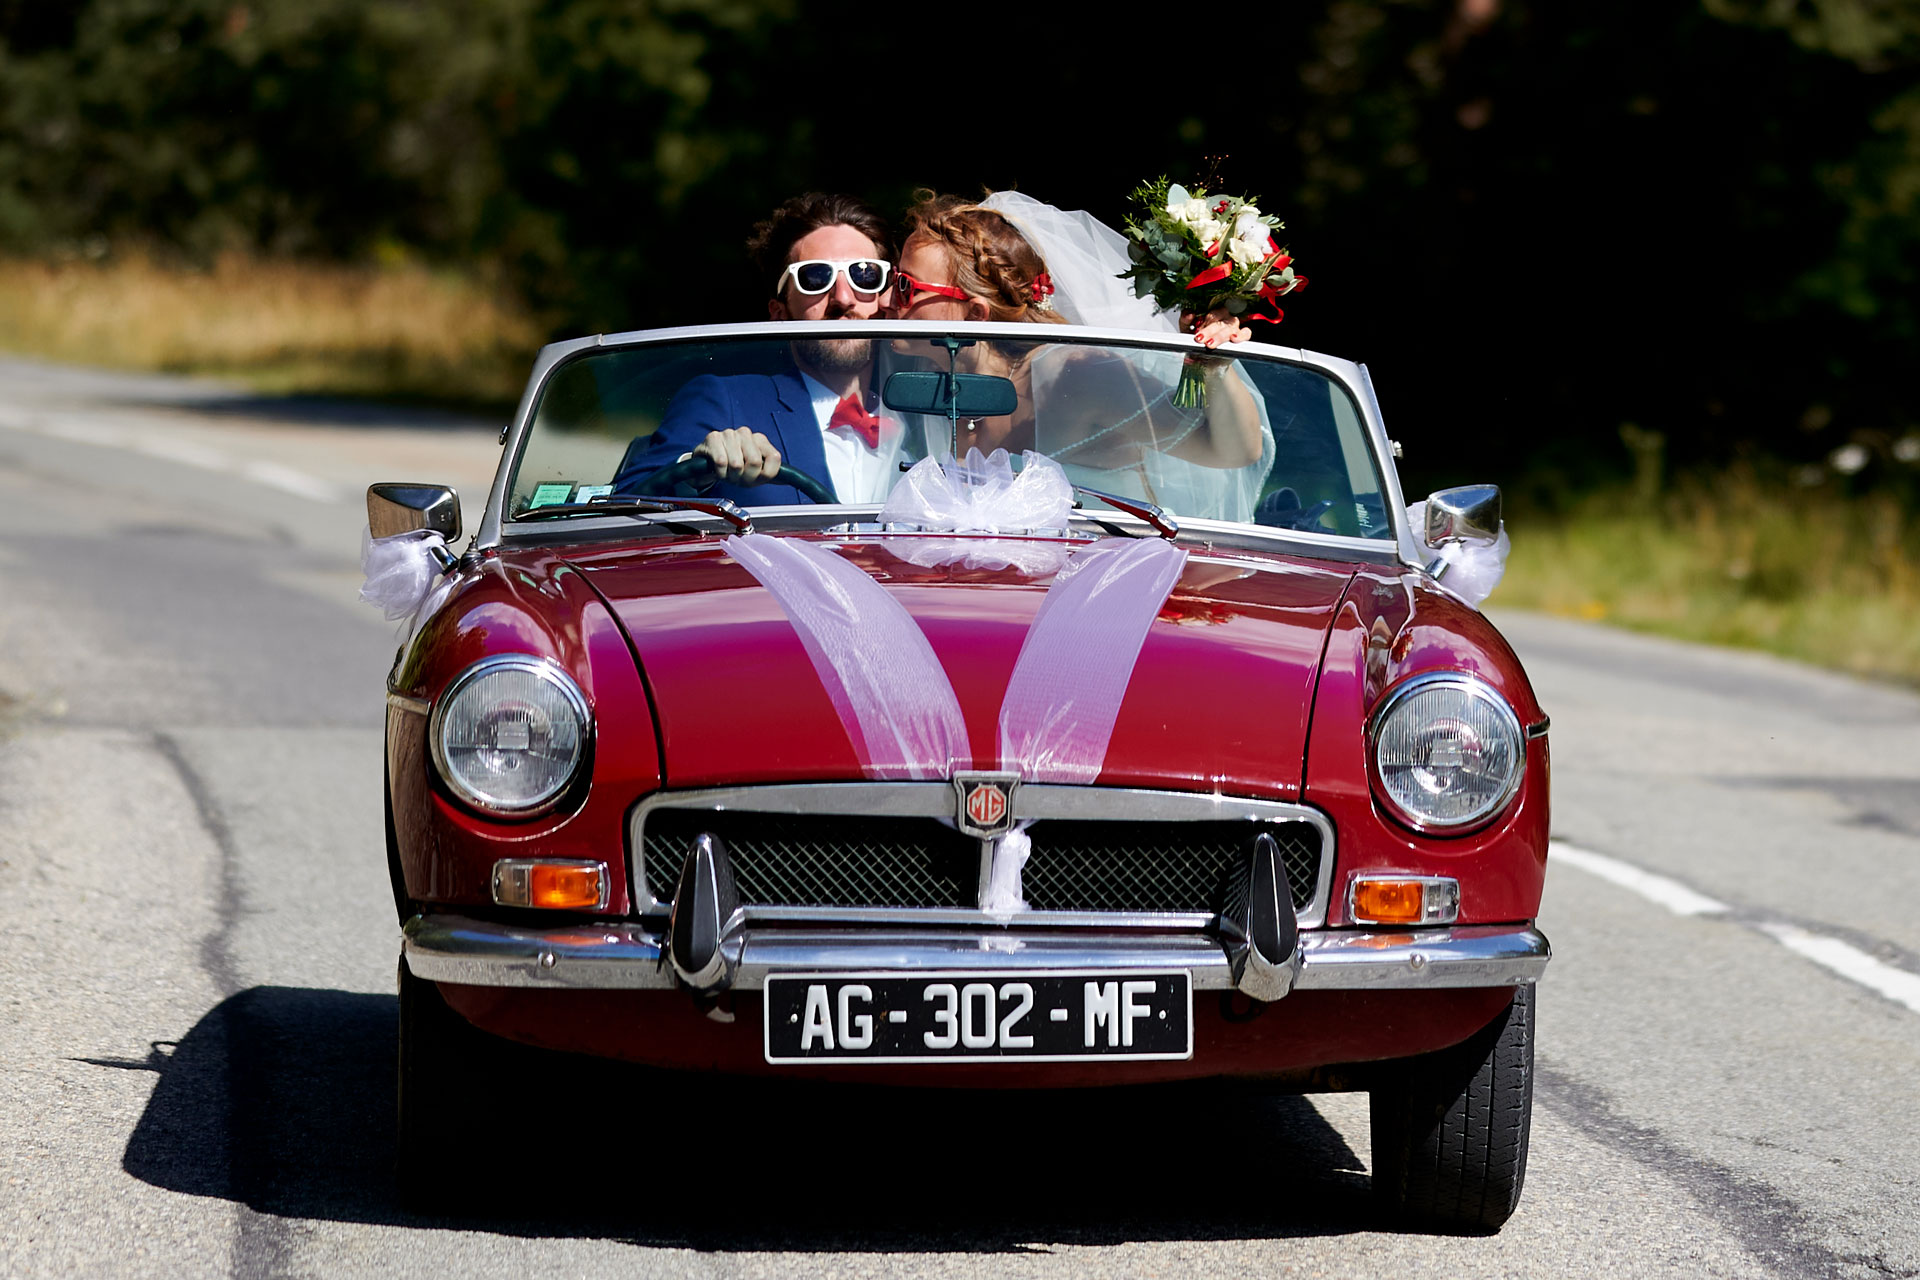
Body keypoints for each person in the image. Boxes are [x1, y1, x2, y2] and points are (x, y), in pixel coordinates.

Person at [887, 191, 1275, 520]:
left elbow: (1235, 451)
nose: (887, 300)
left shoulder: (1075, 375)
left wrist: (1214, 366)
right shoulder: (931, 382)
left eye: (905, 287)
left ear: (975, 314)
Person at [611, 192, 912, 505]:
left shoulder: (928, 418)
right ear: (779, 311)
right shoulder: (725, 401)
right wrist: (696, 470)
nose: (843, 298)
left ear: (885, 297)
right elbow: (622, 501)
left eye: (864, 274)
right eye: (815, 277)